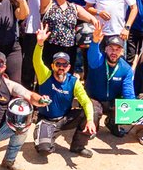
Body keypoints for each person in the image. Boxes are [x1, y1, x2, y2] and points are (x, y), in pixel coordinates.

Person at [31, 26, 95, 156]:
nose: (61, 67)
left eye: (64, 64)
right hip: (47, 119)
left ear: (69, 67)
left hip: (65, 118)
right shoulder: (45, 75)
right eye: (58, 64)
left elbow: (86, 102)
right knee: (44, 150)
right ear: (52, 65)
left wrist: (90, 120)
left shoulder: (73, 81)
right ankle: (46, 135)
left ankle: (78, 146)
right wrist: (40, 44)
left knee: (91, 111)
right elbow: (36, 60)